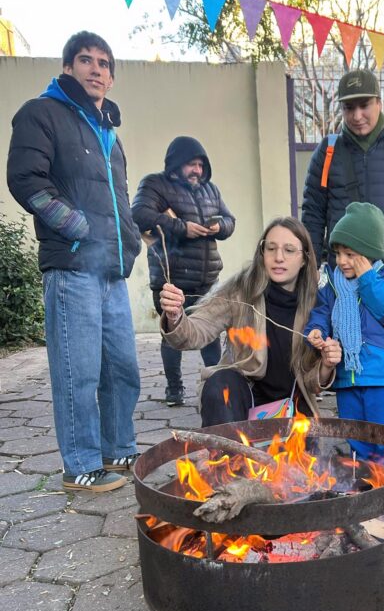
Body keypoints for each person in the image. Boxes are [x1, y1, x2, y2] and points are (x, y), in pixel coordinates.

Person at [7, 31, 141, 493]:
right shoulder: (41, 114)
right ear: (67, 67)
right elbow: (26, 180)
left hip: (110, 270)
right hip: (72, 268)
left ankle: (119, 450)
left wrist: (131, 239)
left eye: (105, 63)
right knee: (78, 372)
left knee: (123, 368)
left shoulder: (107, 132)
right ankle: (81, 466)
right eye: (86, 60)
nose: (97, 70)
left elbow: (118, 198)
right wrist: (77, 227)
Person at [301, 68, 384, 436]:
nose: (357, 115)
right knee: (343, 329)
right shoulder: (328, 151)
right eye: (349, 108)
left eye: (364, 105)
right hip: (341, 265)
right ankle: (356, 401)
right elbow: (312, 207)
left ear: (379, 102)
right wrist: (315, 258)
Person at [158, 217, 340, 424]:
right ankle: (227, 454)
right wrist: (175, 316)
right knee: (220, 384)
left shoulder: (317, 305)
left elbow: (315, 384)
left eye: (289, 250)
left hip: (292, 409)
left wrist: (326, 365)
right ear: (262, 253)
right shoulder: (240, 291)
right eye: (271, 248)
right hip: (243, 401)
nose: (278, 257)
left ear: (305, 258)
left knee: (299, 456)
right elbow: (193, 333)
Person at [305, 202, 384, 471]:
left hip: (383, 378)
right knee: (358, 441)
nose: (341, 261)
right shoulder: (332, 284)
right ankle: (366, 489)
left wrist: (367, 279)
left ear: (368, 254)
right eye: (338, 253)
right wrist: (316, 331)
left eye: (350, 254)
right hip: (347, 380)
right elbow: (322, 312)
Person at [132, 136, 236, 406]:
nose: (197, 171)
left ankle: (217, 386)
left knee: (210, 335)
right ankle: (174, 389)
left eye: (201, 165)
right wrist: (182, 228)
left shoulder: (210, 190)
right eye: (191, 164)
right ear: (176, 164)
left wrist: (219, 227)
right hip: (172, 279)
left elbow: (230, 221)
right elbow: (139, 215)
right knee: (172, 336)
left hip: (207, 278)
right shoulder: (155, 184)